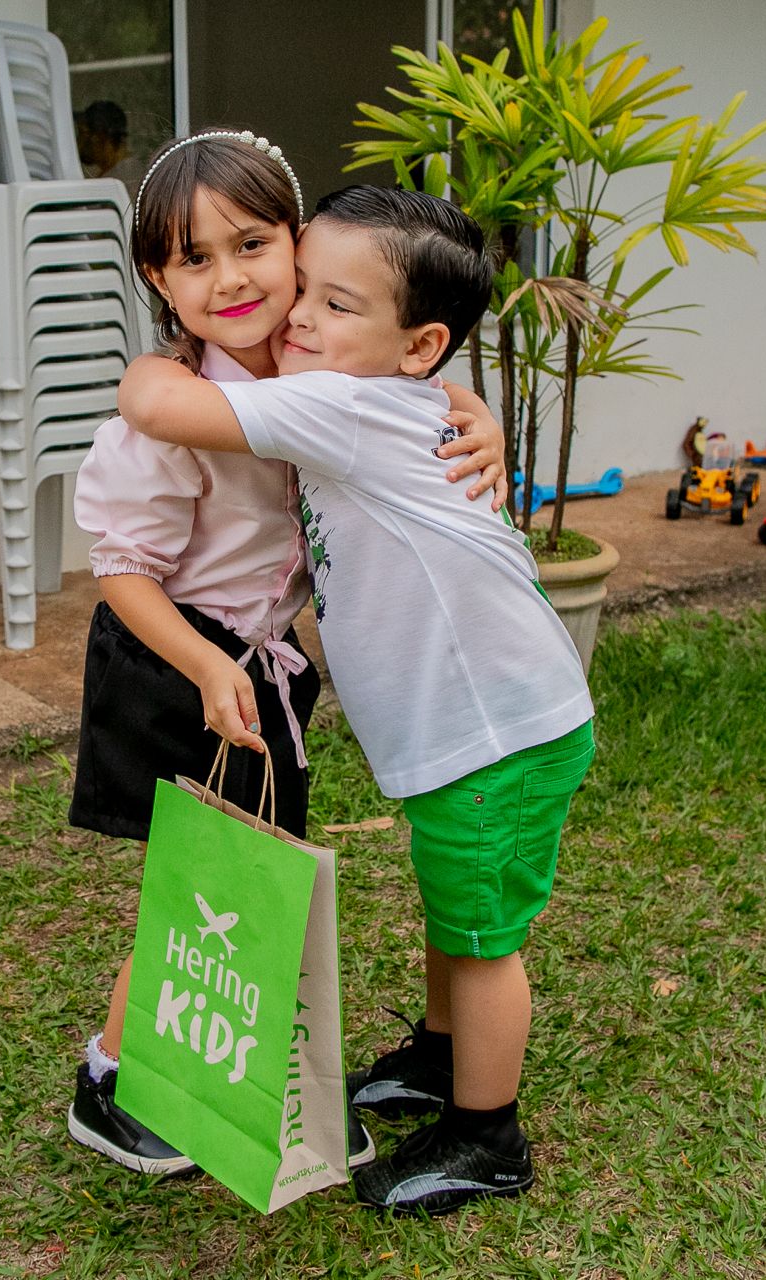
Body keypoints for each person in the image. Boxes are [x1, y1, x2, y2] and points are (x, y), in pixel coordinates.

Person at [118, 183, 596, 1216]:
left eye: (336, 304)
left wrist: (159, 352)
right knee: (454, 902)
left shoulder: (339, 402)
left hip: (493, 729)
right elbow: (407, 381)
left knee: (481, 936)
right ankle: (439, 1053)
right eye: (307, 287)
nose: (297, 316)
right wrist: (463, 397)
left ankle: (487, 1135)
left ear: (418, 344)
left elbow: (160, 408)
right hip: (480, 721)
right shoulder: (387, 388)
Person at [65, 133, 509, 1181]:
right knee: (201, 883)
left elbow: (408, 384)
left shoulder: (316, 363)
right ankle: (114, 1080)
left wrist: (472, 407)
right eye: (194, 259)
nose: (232, 278)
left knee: (256, 877)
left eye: (253, 244)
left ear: (298, 244)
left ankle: (211, 1071)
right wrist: (207, 666)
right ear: (157, 282)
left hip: (261, 660)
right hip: (176, 655)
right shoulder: (174, 410)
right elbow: (121, 569)